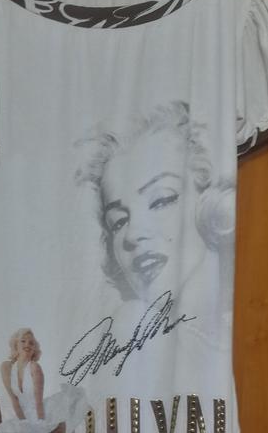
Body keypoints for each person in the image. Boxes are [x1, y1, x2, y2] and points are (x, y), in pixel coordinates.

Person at [73, 101, 236, 321]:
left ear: (213, 204)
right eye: (118, 222)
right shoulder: (126, 325)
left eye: (161, 201)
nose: (132, 235)